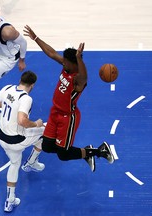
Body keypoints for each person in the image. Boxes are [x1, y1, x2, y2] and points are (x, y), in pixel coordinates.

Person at [23, 25, 115, 172]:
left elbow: (85, 76)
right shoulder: (67, 67)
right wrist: (35, 38)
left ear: (74, 64)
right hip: (55, 113)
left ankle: (99, 151)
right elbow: (52, 53)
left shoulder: (78, 79)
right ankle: (85, 152)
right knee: (46, 146)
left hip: (67, 117)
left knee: (63, 155)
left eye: (66, 62)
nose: (63, 63)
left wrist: (79, 58)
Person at [0, 71, 45, 212]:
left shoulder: (8, 88)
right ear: (32, 85)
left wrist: (1, 119)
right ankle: (31, 162)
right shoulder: (26, 99)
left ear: (20, 80)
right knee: (45, 131)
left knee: (15, 163)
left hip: (2, 138)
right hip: (17, 140)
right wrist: (36, 124)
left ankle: (10, 200)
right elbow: (22, 120)